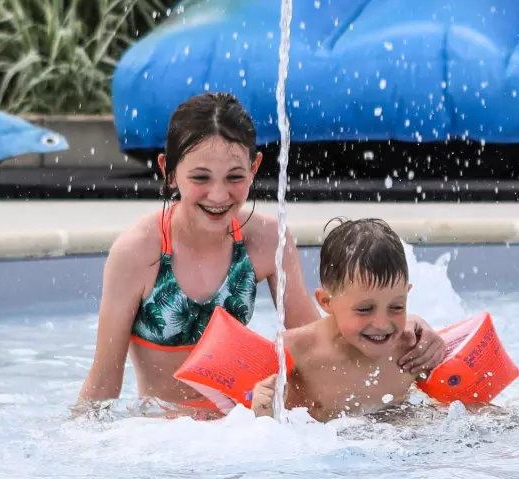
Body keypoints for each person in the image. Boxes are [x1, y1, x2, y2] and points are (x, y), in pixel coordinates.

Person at [73, 92, 444, 418]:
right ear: (168, 172)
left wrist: (409, 330)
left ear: (254, 168)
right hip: (170, 435)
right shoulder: (139, 252)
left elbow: (320, 343)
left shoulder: (267, 240)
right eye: (201, 178)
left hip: (245, 427)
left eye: (235, 177)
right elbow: (104, 381)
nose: (219, 195)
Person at [250, 218, 444, 423]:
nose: (382, 324)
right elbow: (251, 419)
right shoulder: (294, 350)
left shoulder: (412, 350)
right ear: (326, 301)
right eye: (364, 309)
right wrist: (264, 412)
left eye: (396, 307)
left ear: (407, 294)